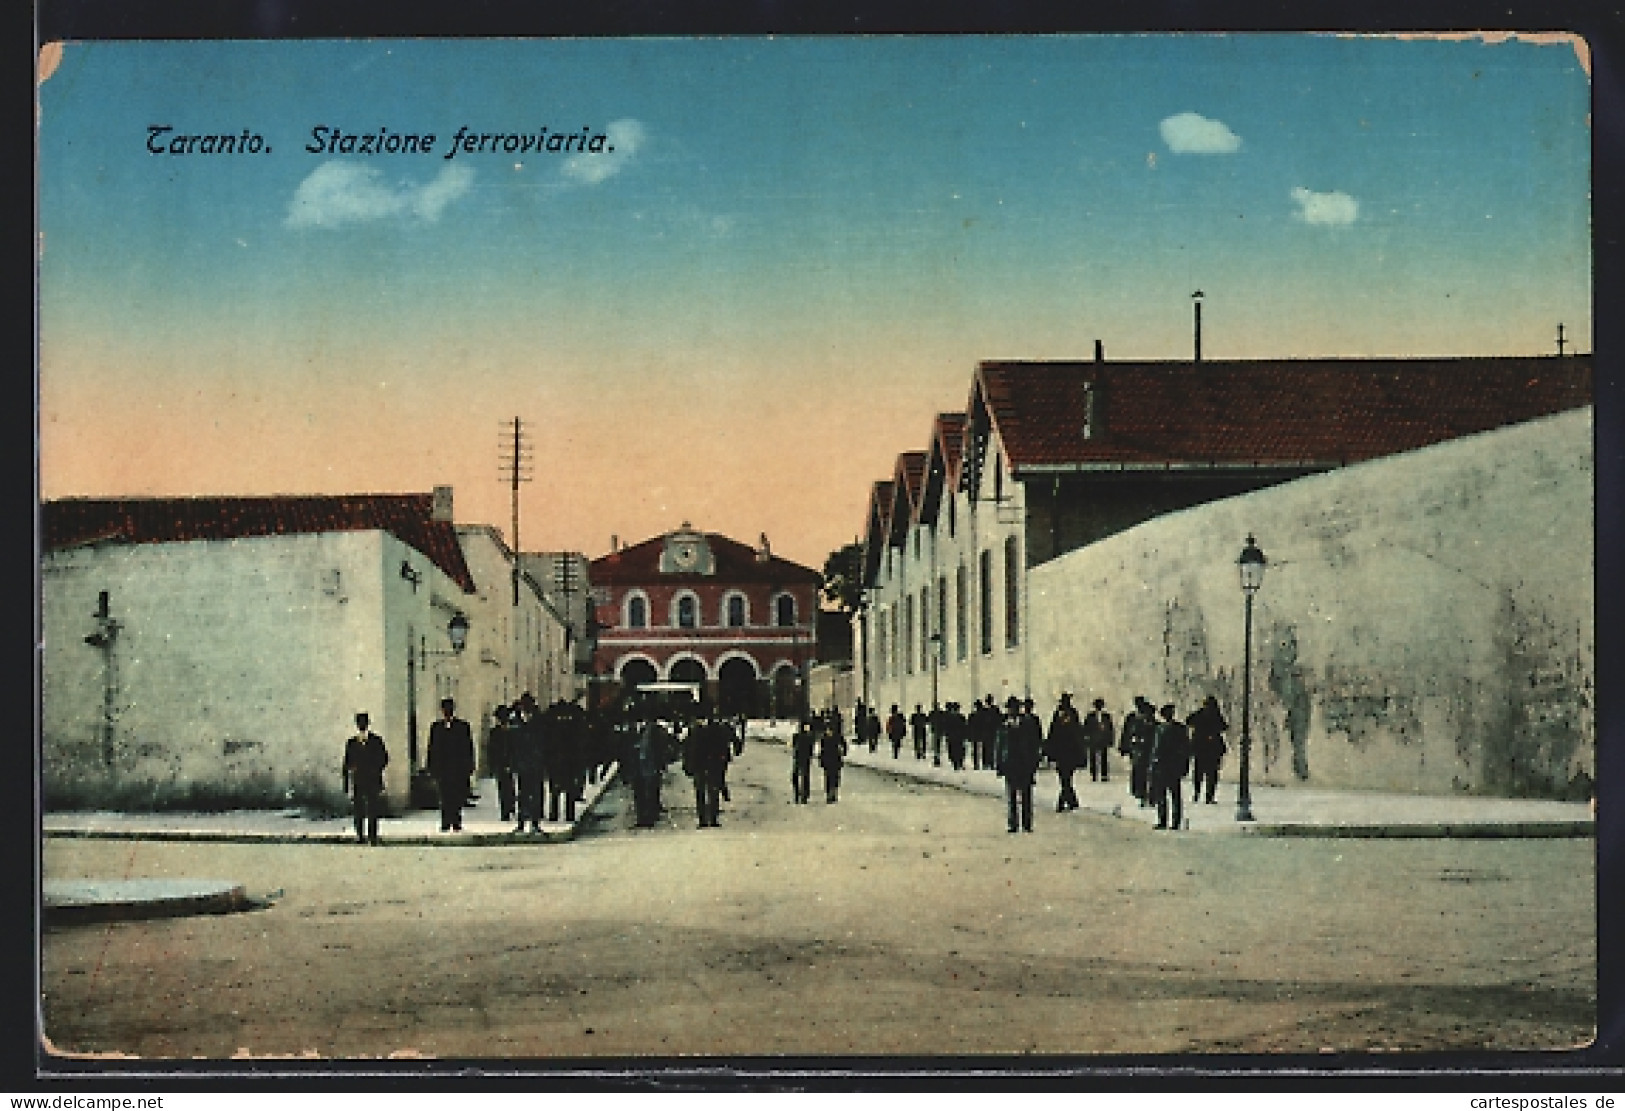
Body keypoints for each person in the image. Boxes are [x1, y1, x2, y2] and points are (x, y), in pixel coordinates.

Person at [426, 697, 474, 833]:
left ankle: (456, 821)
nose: (447, 712)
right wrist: (431, 767)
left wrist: (469, 766)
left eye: (450, 709)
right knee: (444, 796)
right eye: (445, 709)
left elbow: (468, 747)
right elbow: (432, 748)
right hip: (443, 769)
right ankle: (445, 821)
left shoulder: (462, 727)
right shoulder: (436, 727)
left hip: (458, 769)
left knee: (457, 795)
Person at [341, 712, 389, 845]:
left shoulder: (376, 741)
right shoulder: (351, 743)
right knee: (358, 809)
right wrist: (347, 782)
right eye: (359, 723)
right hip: (358, 780)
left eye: (364, 722)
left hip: (372, 780)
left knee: (373, 808)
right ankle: (360, 835)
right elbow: (346, 763)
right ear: (357, 725)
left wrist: (375, 769)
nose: (362, 725)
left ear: (368, 723)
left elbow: (384, 758)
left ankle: (372, 835)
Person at [995, 696, 1039, 832]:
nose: (1012, 711)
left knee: (1026, 795)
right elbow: (999, 746)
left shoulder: (1027, 724)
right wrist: (999, 764)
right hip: (1010, 764)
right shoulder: (1004, 725)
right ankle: (1013, 823)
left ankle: (1027, 823)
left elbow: (1033, 744)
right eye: (1010, 708)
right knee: (1011, 795)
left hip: (1024, 763)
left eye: (1014, 708)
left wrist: (1034, 762)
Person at [1150, 703, 1192, 831]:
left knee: (1174, 795)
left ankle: (1174, 822)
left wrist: (1184, 765)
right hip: (1163, 766)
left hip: (1171, 766)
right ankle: (1164, 820)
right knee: (1162, 795)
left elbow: (1186, 748)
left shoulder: (1178, 729)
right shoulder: (1160, 728)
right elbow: (1155, 749)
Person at [1187, 695, 1229, 804]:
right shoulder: (1214, 715)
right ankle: (1207, 796)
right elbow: (1224, 727)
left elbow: (1189, 721)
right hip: (1210, 749)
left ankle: (1198, 794)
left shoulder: (1201, 714)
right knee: (1210, 774)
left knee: (1200, 773)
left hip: (1202, 748)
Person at [1046, 693, 1085, 812]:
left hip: (1070, 751)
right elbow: (1052, 734)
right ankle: (1070, 801)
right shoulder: (1057, 715)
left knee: (1066, 777)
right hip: (1061, 752)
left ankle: (1064, 802)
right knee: (1064, 777)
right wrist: (1050, 752)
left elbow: (1078, 733)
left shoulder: (1073, 714)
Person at [1120, 697, 1156, 807]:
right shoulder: (1132, 718)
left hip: (1144, 750)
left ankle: (1145, 795)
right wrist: (1125, 747)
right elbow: (1126, 733)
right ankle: (1142, 794)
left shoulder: (1150, 721)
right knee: (1140, 772)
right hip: (1137, 749)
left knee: (1143, 773)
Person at [487, 706, 516, 823]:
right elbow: (492, 750)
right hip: (500, 763)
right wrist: (493, 764)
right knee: (503, 787)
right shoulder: (495, 732)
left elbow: (515, 749)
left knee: (510, 786)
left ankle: (511, 807)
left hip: (511, 763)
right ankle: (506, 810)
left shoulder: (512, 731)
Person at [1082, 697, 1114, 783]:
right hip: (1093, 739)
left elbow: (1110, 729)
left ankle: (1104, 774)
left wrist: (1110, 740)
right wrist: (1086, 738)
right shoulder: (1090, 716)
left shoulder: (1106, 716)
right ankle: (1093, 774)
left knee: (1104, 757)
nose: (1099, 707)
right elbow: (1086, 728)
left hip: (1103, 739)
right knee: (1093, 758)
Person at [819, 715, 848, 803]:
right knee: (828, 778)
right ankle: (829, 794)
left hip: (835, 759)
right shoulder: (824, 738)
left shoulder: (837, 737)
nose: (828, 731)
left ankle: (834, 793)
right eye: (827, 730)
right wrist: (821, 760)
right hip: (828, 760)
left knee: (835, 777)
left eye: (830, 730)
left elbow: (844, 744)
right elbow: (822, 749)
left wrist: (843, 753)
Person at [791, 717, 816, 804]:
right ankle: (797, 794)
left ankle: (804, 795)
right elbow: (794, 746)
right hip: (798, 757)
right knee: (795, 776)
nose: (806, 728)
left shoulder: (810, 737)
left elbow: (811, 748)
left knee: (805, 776)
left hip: (805, 758)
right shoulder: (797, 736)